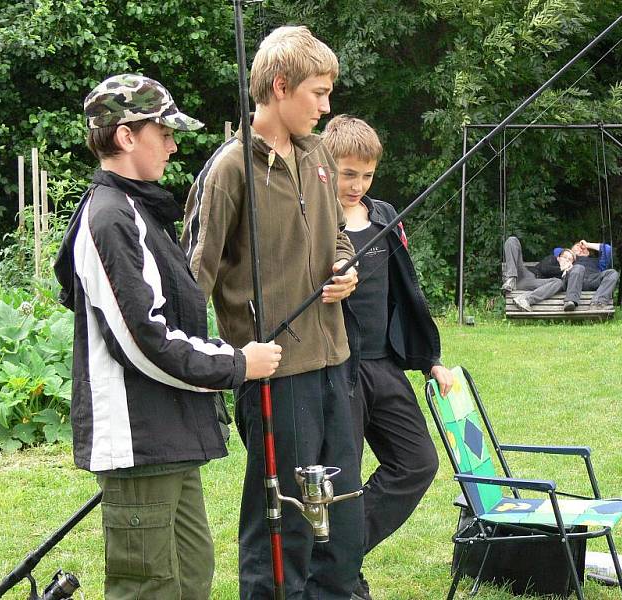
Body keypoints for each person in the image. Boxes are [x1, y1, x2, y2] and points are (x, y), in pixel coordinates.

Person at [53, 74, 282, 600]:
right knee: (149, 588)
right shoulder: (108, 218)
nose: (174, 145)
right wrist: (235, 364)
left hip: (170, 434)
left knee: (191, 577)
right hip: (139, 440)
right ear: (126, 136)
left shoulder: (138, 211)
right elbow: (143, 338)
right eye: (164, 132)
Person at [181, 27, 363, 599]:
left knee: (341, 517)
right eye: (318, 93)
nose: (327, 106)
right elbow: (194, 276)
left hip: (335, 359)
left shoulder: (319, 157)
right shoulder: (229, 169)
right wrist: (208, 366)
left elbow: (339, 241)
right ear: (280, 87)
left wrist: (345, 268)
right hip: (273, 373)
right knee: (281, 525)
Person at [321, 115, 454, 600]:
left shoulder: (384, 217)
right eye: (347, 173)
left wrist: (430, 359)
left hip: (385, 366)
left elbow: (407, 291)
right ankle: (341, 578)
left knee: (417, 463)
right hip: (336, 371)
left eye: (367, 175)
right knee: (345, 479)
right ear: (326, 167)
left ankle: (340, 558)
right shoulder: (311, 220)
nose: (357, 185)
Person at [502, 236, 580, 311]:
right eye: (565, 257)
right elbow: (544, 269)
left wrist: (566, 272)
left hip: (533, 283)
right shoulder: (552, 259)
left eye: (569, 259)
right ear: (558, 257)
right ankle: (511, 278)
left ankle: (525, 299)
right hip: (526, 274)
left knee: (558, 282)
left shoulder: (568, 272)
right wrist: (561, 269)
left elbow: (563, 286)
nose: (566, 260)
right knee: (512, 240)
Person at [559, 240, 619, 309]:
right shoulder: (569, 260)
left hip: (593, 280)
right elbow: (557, 250)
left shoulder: (597, 261)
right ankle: (570, 301)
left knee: (612, 273)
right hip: (574, 280)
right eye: (578, 246)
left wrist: (587, 245)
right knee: (579, 267)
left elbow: (608, 249)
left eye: (584, 248)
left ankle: (598, 303)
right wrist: (570, 254)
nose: (581, 248)